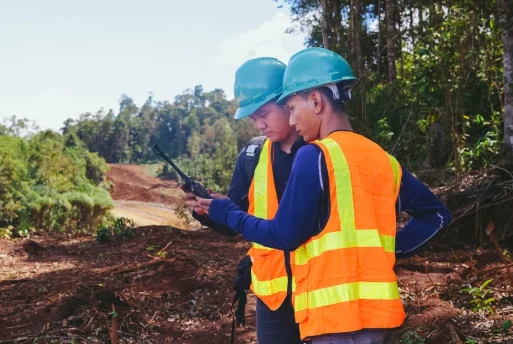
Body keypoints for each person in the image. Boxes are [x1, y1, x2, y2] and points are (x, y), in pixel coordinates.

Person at [188, 48, 451, 344]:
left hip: (331, 316)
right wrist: (382, 251)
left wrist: (230, 214)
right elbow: (436, 215)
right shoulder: (381, 157)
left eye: (290, 107)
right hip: (374, 317)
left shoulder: (315, 155)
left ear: (315, 101)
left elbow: (284, 235)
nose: (291, 117)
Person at [187, 57, 304, 343]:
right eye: (253, 118)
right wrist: (208, 212)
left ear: (287, 101)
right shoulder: (253, 157)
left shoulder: (320, 150)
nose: (259, 124)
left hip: (319, 291)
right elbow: (236, 222)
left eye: (264, 113)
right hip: (272, 295)